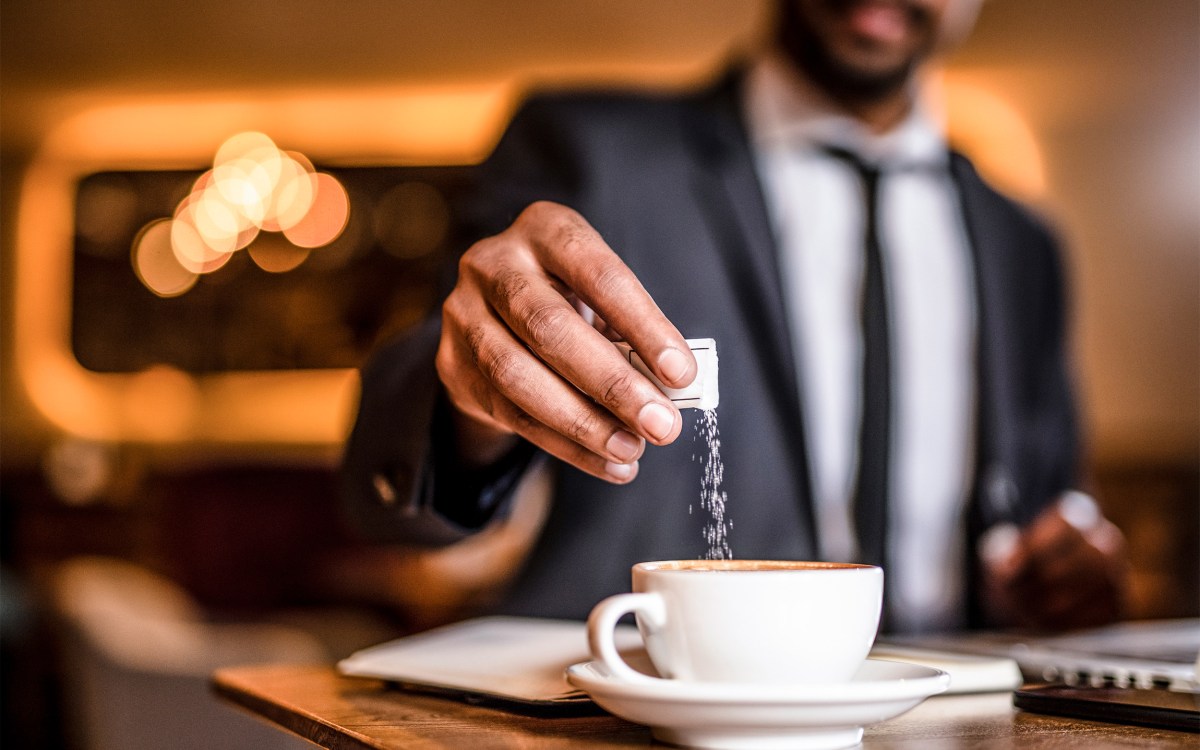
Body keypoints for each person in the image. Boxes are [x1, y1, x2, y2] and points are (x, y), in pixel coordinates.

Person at [341, 0, 1127, 633]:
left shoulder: (1024, 243)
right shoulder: (587, 152)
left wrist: (1065, 567)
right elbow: (404, 426)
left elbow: (1048, 500)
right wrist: (468, 402)